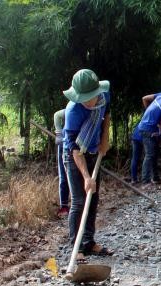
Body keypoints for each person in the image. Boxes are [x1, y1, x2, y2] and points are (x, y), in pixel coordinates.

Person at [62, 68, 113, 257]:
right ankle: (77, 249)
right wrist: (85, 177)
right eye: (84, 98)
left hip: (93, 151)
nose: (89, 101)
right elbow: (74, 149)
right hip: (75, 155)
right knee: (79, 200)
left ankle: (89, 242)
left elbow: (106, 114)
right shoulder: (73, 111)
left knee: (93, 199)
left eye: (91, 96)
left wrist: (104, 139)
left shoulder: (104, 96)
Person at [54, 109, 70, 218]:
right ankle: (64, 206)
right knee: (64, 176)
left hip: (78, 144)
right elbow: (57, 115)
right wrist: (59, 134)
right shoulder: (72, 107)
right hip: (64, 143)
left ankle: (80, 205)